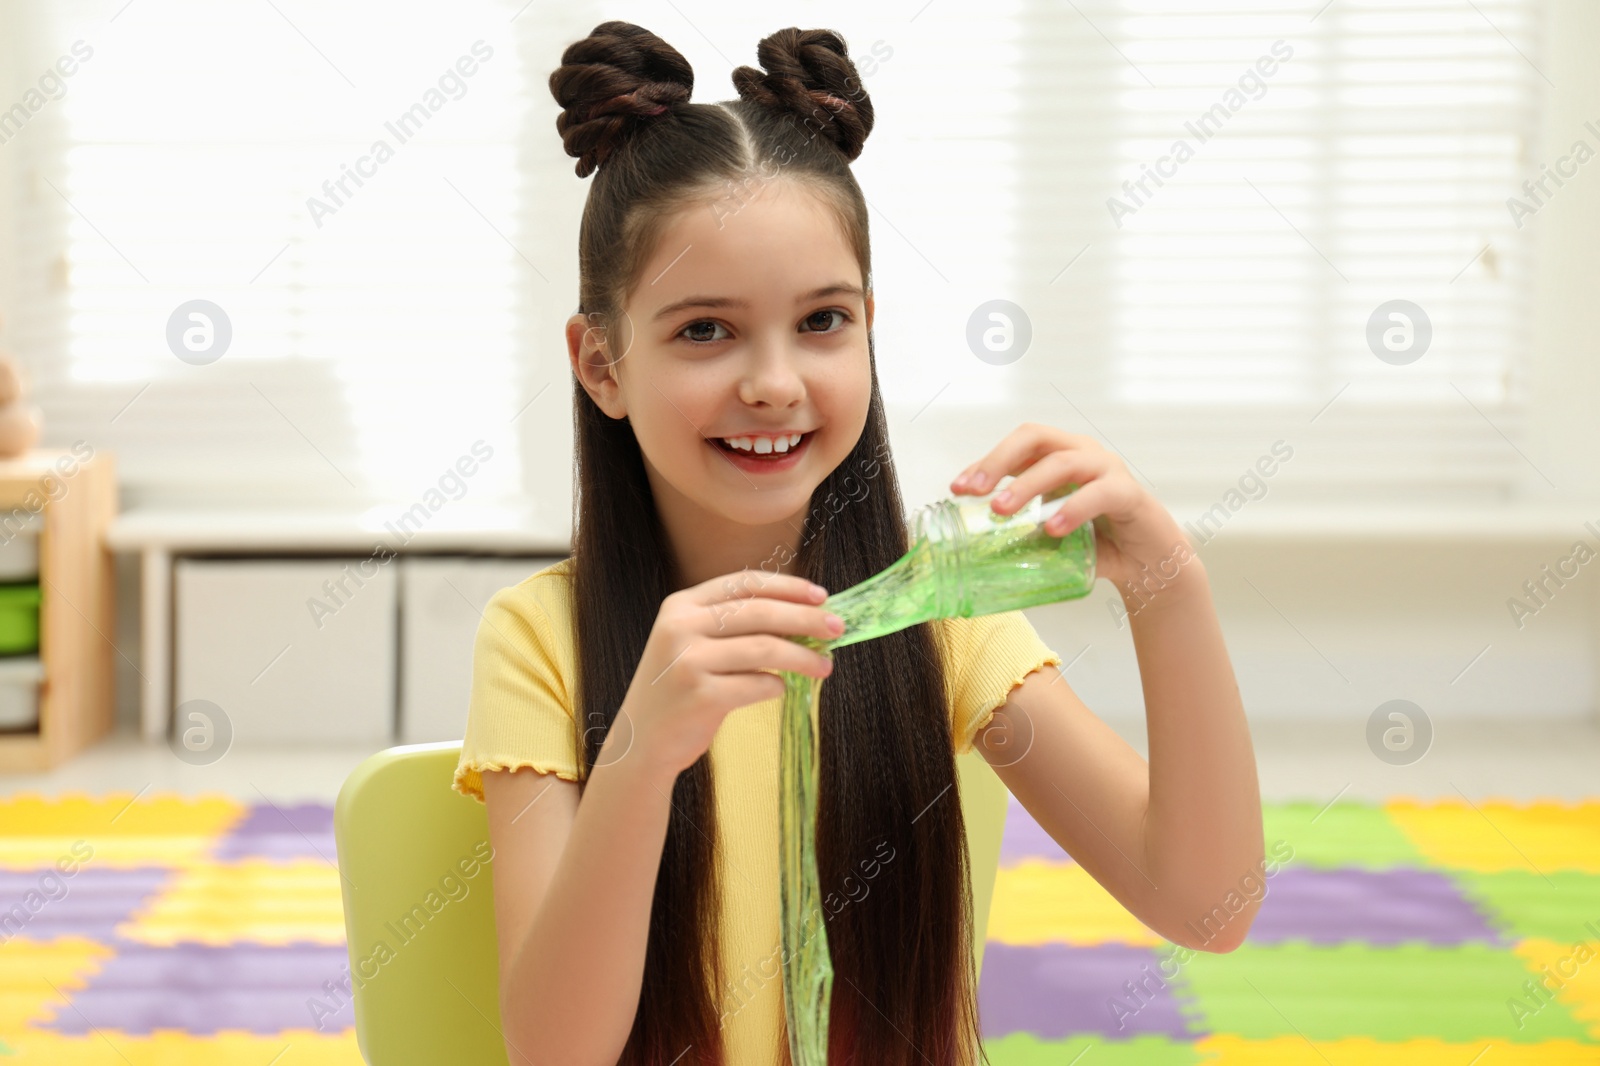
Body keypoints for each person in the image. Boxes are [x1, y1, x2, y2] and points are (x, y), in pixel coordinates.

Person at [452, 20, 1263, 1066]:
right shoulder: (541, 640)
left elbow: (1210, 904)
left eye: (823, 322)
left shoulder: (937, 620)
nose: (774, 382)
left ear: (870, 327)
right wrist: (642, 753)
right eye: (704, 329)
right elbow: (556, 1053)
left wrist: (1167, 581)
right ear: (601, 363)